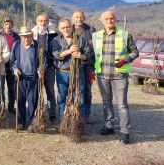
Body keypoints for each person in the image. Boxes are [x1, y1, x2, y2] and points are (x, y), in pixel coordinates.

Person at [92, 10, 139, 144]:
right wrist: (90, 70)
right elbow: (92, 55)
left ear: (115, 20)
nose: (109, 21)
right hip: (102, 75)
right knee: (106, 103)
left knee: (122, 105)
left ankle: (125, 131)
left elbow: (135, 52)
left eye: (111, 18)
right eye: (106, 19)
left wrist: (125, 59)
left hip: (119, 75)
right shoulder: (96, 36)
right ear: (102, 21)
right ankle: (109, 126)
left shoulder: (125, 35)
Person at [51, 19, 90, 118]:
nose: (66, 29)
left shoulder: (81, 39)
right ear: (59, 29)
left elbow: (88, 55)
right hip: (62, 73)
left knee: (78, 97)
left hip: (78, 72)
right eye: (63, 28)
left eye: (67, 27)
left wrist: (80, 56)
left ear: (72, 27)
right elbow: (55, 54)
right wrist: (69, 51)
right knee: (61, 97)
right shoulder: (56, 40)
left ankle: (78, 120)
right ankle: (62, 120)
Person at [10, 27, 44, 133]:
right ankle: (20, 122)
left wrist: (40, 69)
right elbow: (12, 61)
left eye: (29, 36)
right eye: (24, 37)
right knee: (20, 100)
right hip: (20, 78)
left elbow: (43, 61)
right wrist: (15, 69)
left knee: (32, 101)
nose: (26, 39)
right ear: (20, 37)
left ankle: (31, 123)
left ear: (32, 35)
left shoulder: (38, 46)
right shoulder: (16, 45)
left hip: (33, 78)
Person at [31, 14, 58, 121]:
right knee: (37, 90)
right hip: (36, 67)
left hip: (50, 67)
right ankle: (38, 110)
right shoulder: (32, 34)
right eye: (41, 21)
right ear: (37, 22)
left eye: (45, 20)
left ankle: (52, 112)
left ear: (48, 22)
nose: (43, 23)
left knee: (50, 90)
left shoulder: (53, 35)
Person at [72, 9, 96, 124]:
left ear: (84, 18)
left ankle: (86, 114)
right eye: (76, 17)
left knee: (87, 91)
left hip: (87, 65)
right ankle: (73, 112)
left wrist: (92, 68)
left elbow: (95, 50)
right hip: (72, 66)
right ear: (73, 19)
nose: (79, 19)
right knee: (72, 90)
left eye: (81, 17)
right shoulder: (68, 29)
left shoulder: (91, 31)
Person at [2, 17, 20, 114]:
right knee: (0, 86)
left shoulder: (17, 37)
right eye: (6, 24)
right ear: (3, 25)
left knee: (11, 87)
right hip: (1, 64)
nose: (8, 25)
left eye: (9, 23)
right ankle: (1, 107)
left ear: (12, 25)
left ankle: (11, 106)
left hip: (11, 64)